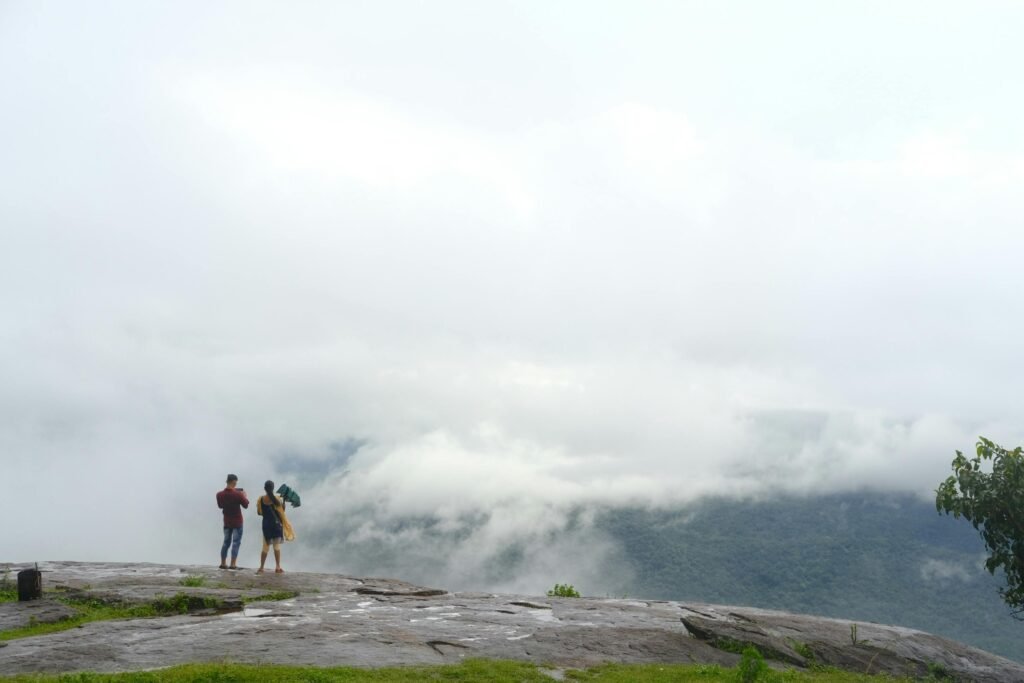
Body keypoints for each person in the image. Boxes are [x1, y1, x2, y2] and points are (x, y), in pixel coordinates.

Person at [256, 480, 295, 574]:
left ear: (264, 488)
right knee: (276, 546)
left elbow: (259, 513)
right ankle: (277, 567)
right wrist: (283, 505)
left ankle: (261, 567)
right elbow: (282, 512)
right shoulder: (278, 499)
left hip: (266, 525)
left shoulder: (260, 499)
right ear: (273, 488)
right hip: (276, 525)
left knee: (265, 547)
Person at [216, 474, 249, 569]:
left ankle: (223, 563)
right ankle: (233, 564)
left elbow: (220, 506)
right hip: (237, 522)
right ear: (234, 482)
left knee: (226, 542)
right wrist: (244, 496)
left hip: (227, 521)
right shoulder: (238, 494)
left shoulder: (219, 494)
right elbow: (246, 505)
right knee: (236, 542)